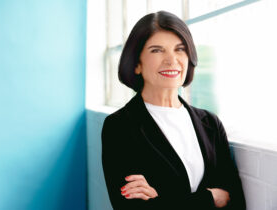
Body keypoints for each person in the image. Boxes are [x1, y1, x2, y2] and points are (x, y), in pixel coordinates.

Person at [101, 11, 246, 210]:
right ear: (136, 64)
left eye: (180, 49)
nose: (172, 60)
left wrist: (162, 199)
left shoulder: (210, 123)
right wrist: (211, 198)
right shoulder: (119, 127)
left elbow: (234, 200)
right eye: (157, 50)